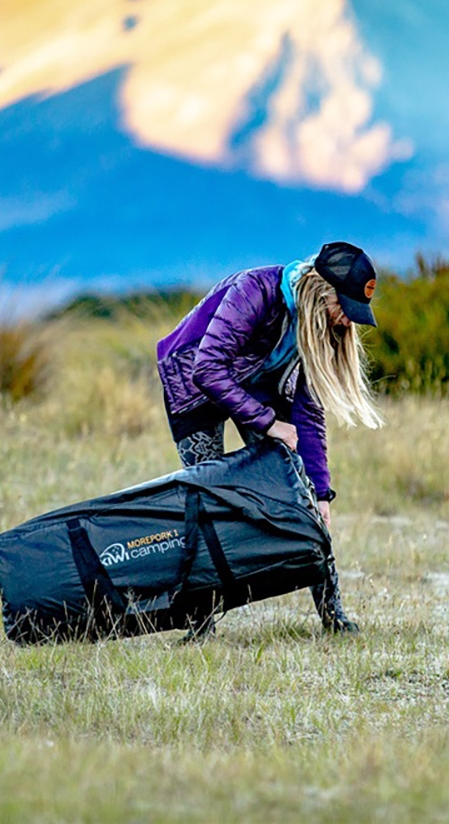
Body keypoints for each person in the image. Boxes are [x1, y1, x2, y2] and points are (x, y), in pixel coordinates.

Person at [156, 240, 384, 639]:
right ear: (320, 292)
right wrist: (268, 423)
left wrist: (322, 493)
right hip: (194, 383)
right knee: (207, 502)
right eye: (344, 310)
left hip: (256, 383)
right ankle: (200, 625)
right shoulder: (256, 292)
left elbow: (308, 413)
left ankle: (335, 618)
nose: (347, 322)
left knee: (304, 499)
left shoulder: (320, 328)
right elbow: (207, 370)